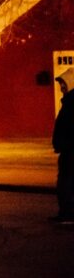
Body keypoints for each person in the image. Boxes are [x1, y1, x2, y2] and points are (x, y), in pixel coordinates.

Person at [52, 68, 74, 224]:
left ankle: (68, 214)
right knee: (65, 182)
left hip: (71, 151)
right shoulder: (68, 102)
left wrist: (64, 143)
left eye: (63, 84)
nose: (61, 87)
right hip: (67, 150)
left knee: (67, 182)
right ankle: (65, 213)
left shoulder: (71, 103)